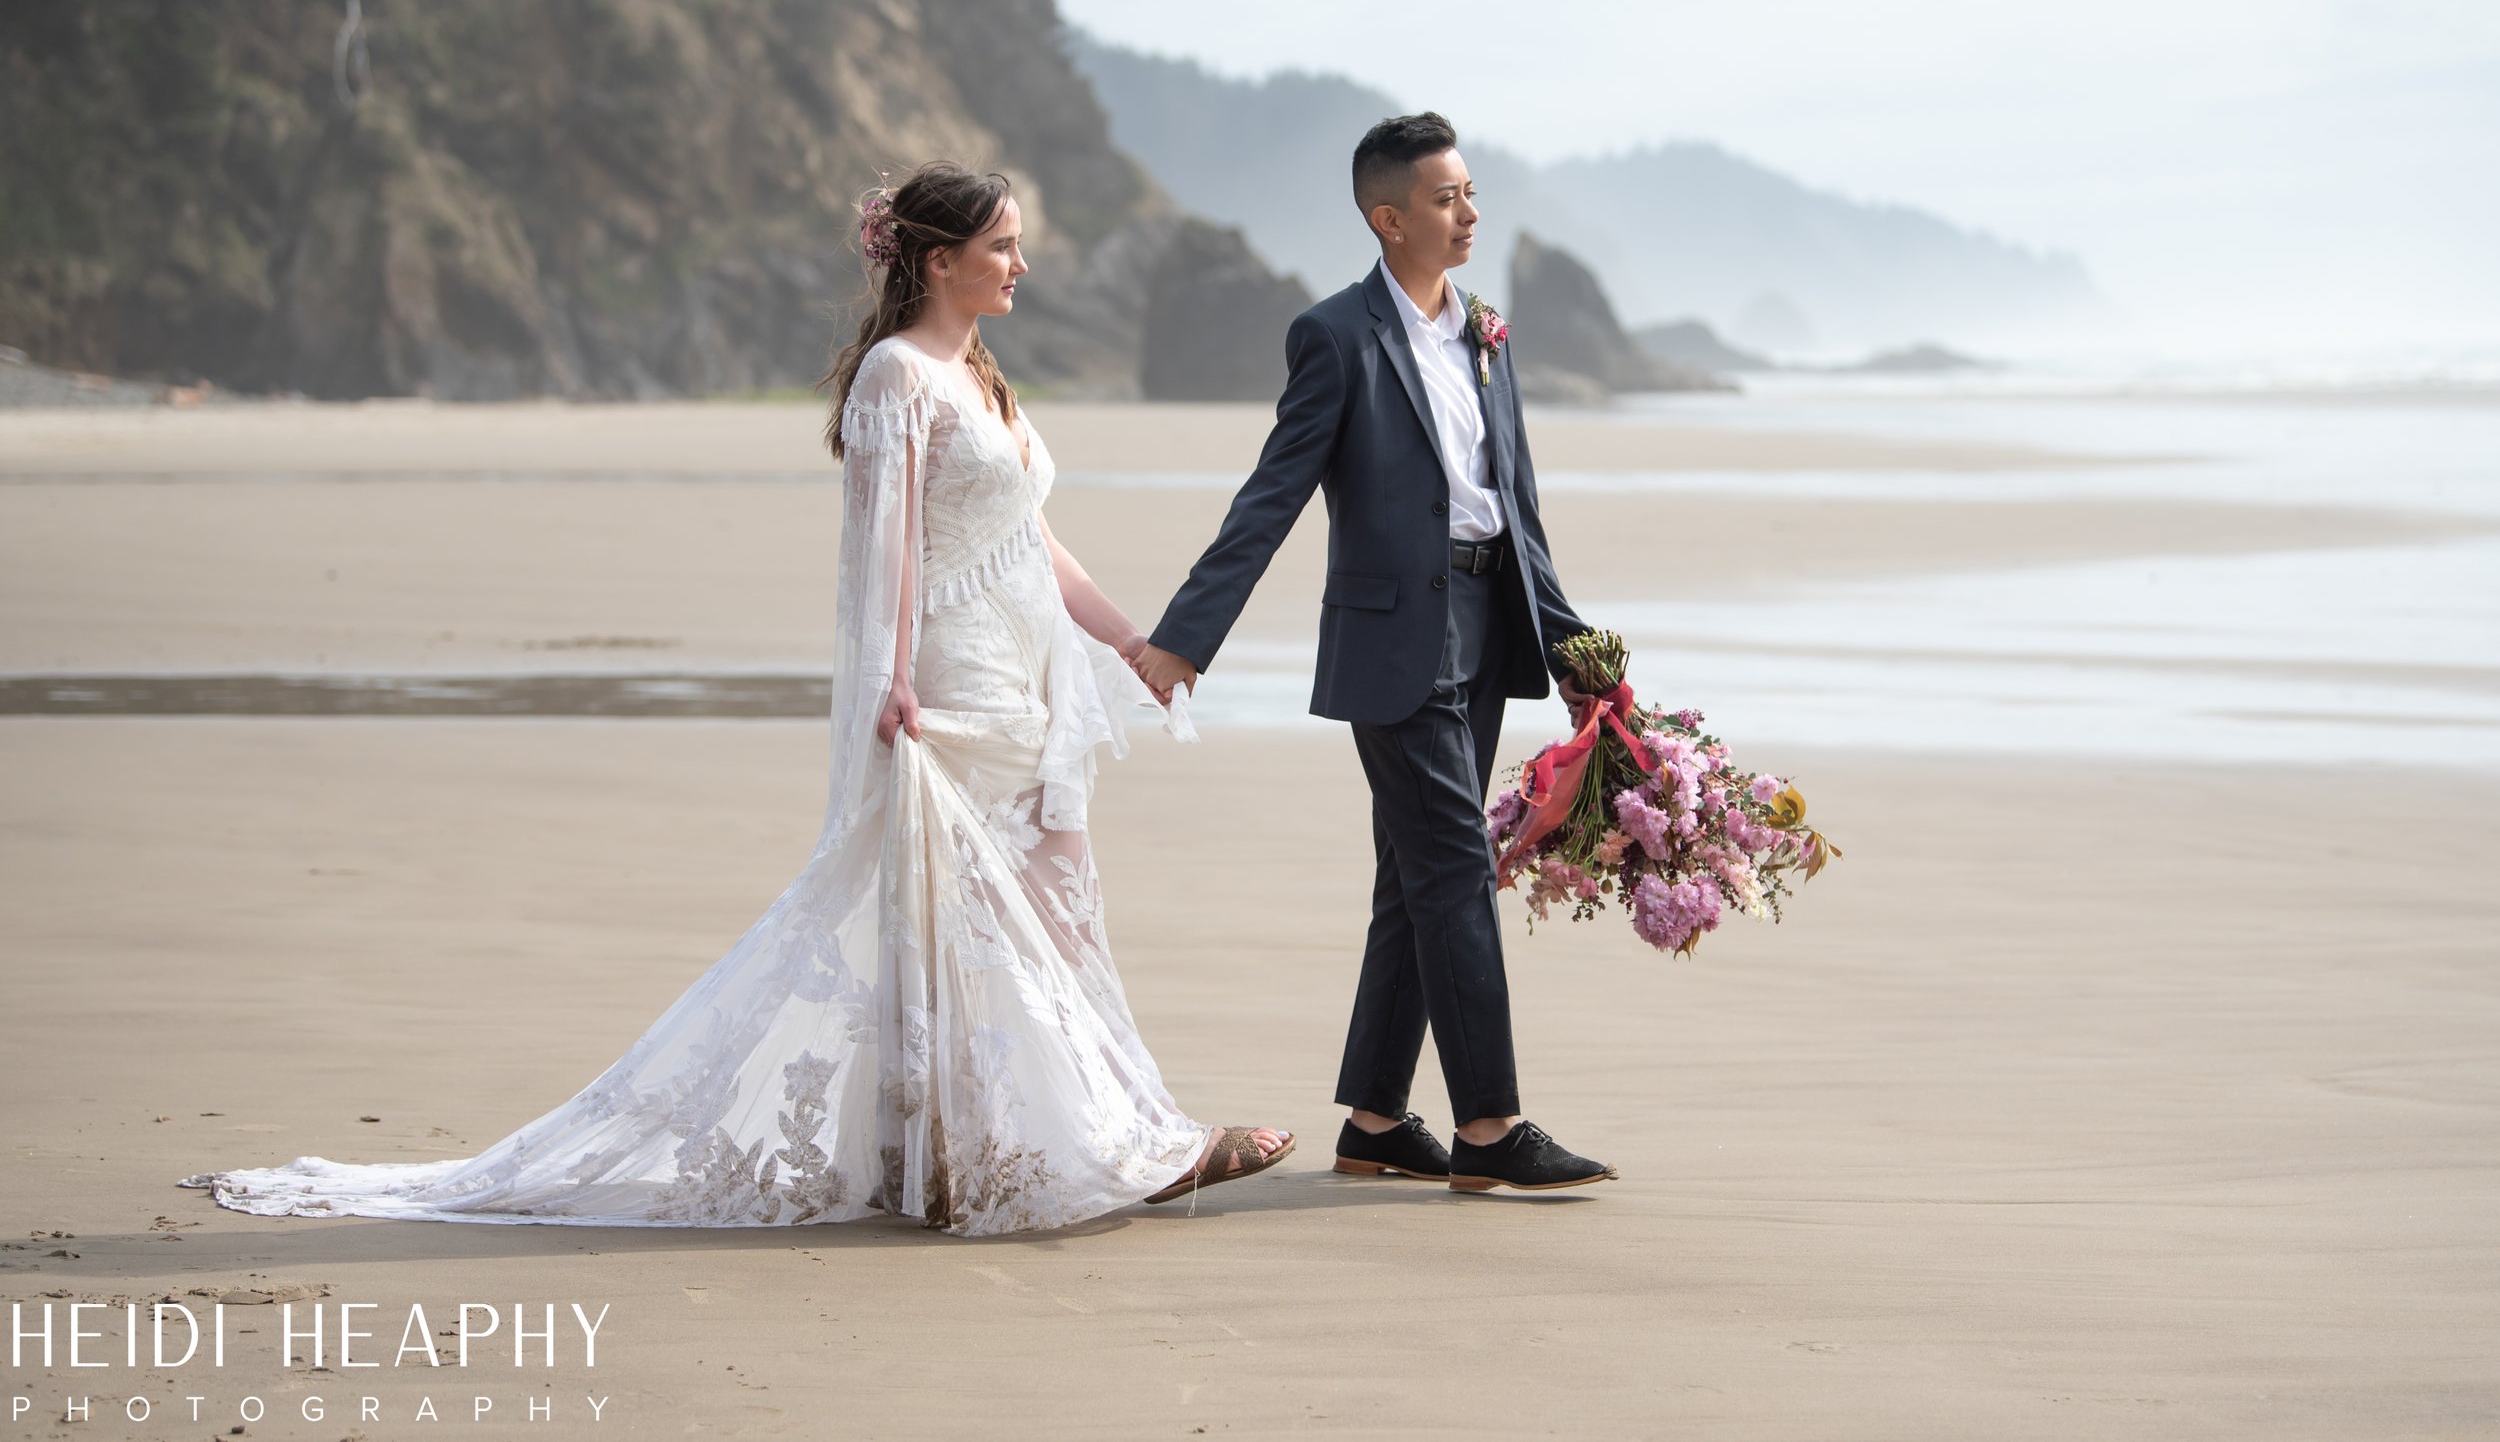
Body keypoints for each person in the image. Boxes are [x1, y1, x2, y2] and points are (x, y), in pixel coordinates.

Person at [181, 164, 1293, 1237]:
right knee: (965, 917)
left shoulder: (979, 376)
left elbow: (1031, 541)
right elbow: (885, 549)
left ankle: (1034, 1146)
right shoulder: (896, 375)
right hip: (954, 678)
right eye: (1001, 244)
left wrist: (1135, 642)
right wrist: (894, 679)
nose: (1021, 262)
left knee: (1047, 900)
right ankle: (1082, 1148)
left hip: (1024, 677)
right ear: (941, 259)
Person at [1133, 113, 1618, 1194]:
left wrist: (1575, 642)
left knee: (1413, 876)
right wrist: (1183, 639)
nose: (1469, 214)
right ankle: (1490, 1127)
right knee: (1453, 864)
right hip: (1392, 639)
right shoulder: (1336, 336)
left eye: (1471, 193)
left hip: (1490, 628)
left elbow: (1516, 506)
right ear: (1386, 217)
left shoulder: (1486, 332)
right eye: (1445, 199)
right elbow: (1273, 493)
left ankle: (1375, 1121)